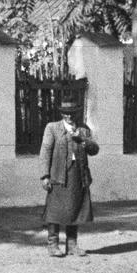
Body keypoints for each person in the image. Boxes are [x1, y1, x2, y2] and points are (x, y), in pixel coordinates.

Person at [39, 98, 98, 257]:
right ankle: (53, 245)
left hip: (78, 175)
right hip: (58, 175)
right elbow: (45, 152)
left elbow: (94, 150)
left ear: (77, 113)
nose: (69, 117)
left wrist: (83, 140)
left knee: (75, 209)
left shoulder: (83, 129)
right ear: (61, 114)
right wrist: (45, 176)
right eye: (66, 113)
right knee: (55, 211)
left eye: (72, 113)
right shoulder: (52, 128)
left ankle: (72, 246)